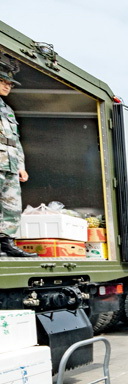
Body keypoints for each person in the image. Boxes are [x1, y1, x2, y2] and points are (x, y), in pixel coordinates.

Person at [0, 56, 35, 258]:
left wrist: (20, 166)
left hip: (10, 165)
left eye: (10, 84)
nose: (8, 86)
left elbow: (15, 140)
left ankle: (6, 243)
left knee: (11, 207)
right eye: (3, 82)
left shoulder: (7, 110)